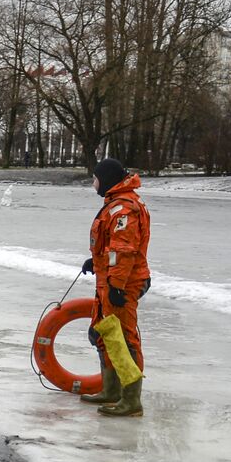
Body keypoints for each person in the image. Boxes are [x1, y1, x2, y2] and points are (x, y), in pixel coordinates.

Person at [80, 157, 151, 416]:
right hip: (108, 279)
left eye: (95, 178)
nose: (93, 184)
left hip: (123, 282)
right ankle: (111, 390)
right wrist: (96, 261)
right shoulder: (115, 204)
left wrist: (117, 286)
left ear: (107, 179)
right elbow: (110, 248)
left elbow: (124, 252)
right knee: (106, 334)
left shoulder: (124, 209)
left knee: (124, 338)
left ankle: (131, 399)